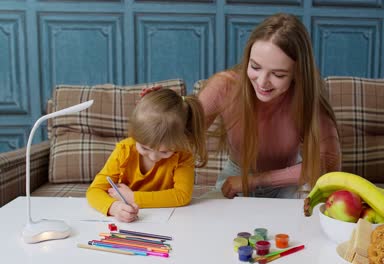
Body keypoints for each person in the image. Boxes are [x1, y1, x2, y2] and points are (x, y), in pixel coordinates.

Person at [198, 13, 341, 199]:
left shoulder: (308, 99)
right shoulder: (225, 86)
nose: (262, 82)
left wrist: (255, 180)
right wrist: (156, 109)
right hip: (235, 176)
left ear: (297, 74)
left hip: (287, 180)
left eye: (278, 75)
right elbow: (182, 131)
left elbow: (328, 162)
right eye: (255, 67)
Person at [86, 87, 207, 222]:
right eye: (144, 148)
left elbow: (182, 195)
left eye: (164, 152)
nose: (153, 157)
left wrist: (133, 198)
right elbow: (94, 191)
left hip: (171, 222)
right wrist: (114, 207)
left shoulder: (183, 154)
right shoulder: (125, 150)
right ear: (134, 134)